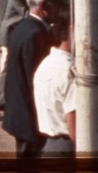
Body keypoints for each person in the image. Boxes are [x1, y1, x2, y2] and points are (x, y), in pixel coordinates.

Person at [2, 0, 66, 157]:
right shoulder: (36, 34)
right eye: (59, 6)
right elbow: (37, 78)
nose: (61, 11)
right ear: (44, 6)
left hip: (20, 110)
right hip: (30, 117)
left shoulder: (23, 27)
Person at [33, 10, 76, 157]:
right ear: (72, 31)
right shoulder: (70, 72)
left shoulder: (46, 64)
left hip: (49, 145)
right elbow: (75, 130)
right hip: (68, 149)